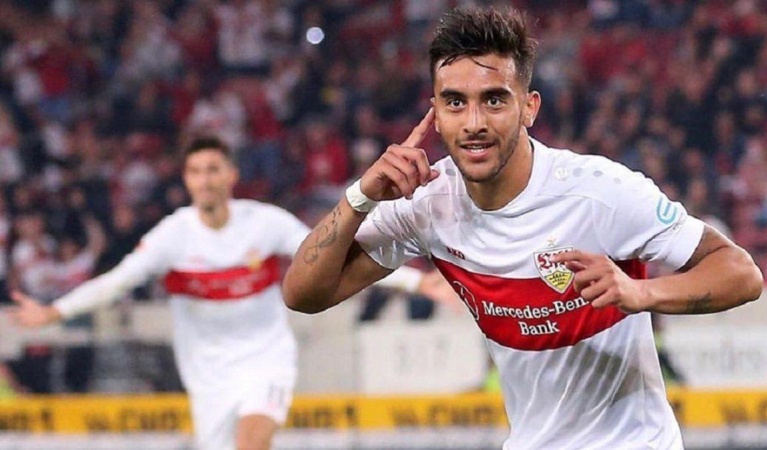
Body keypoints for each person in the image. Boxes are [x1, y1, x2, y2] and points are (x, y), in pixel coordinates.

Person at [282, 7, 763, 450]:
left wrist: (641, 293)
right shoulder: (426, 205)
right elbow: (303, 294)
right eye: (455, 102)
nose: (473, 122)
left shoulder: (600, 193)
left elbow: (741, 273)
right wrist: (360, 197)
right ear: (435, 113)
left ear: (529, 107)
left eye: (493, 100)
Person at [10, 136, 453, 450]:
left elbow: (330, 255)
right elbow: (119, 280)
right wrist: (55, 312)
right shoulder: (173, 235)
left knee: (251, 444)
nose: (205, 180)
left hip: (265, 359)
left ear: (231, 175)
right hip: (207, 375)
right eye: (195, 172)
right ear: (186, 179)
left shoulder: (264, 222)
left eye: (213, 170)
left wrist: (416, 281)